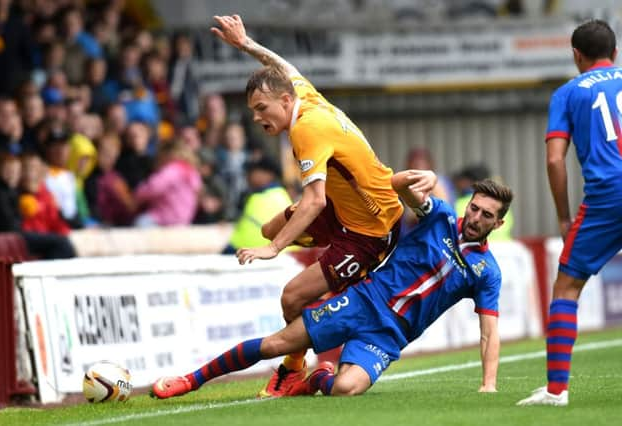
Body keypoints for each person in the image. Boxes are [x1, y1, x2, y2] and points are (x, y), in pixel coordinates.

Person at [149, 169, 512, 399]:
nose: (475, 217)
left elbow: (489, 331)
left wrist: (489, 383)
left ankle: (314, 379)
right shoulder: (443, 217)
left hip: (390, 334)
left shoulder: (486, 271)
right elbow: (398, 187)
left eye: (486, 215)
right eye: (475, 208)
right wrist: (426, 176)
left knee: (345, 388)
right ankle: (190, 380)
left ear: (497, 224)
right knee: (276, 343)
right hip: (363, 299)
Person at [210, 15, 404, 397]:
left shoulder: (306, 130)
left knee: (293, 295)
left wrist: (275, 248)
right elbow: (285, 68)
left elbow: (313, 200)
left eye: (261, 108)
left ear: (285, 101)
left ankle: (295, 368)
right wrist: (246, 45)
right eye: (252, 110)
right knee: (269, 227)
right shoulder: (304, 97)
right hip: (343, 208)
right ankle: (316, 341)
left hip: (371, 230)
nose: (256, 117)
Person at [516, 19, 622, 407]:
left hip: (608, 197)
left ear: (576, 55)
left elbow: (555, 160)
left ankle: (557, 390)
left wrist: (563, 215)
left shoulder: (567, 93)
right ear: (615, 52)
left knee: (566, 289)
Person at [222, 155, 293, 254]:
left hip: (255, 256)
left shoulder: (259, 198)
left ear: (268, 174)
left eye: (252, 172)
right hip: (282, 257)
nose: (248, 176)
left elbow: (244, 239)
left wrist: (226, 251)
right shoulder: (280, 195)